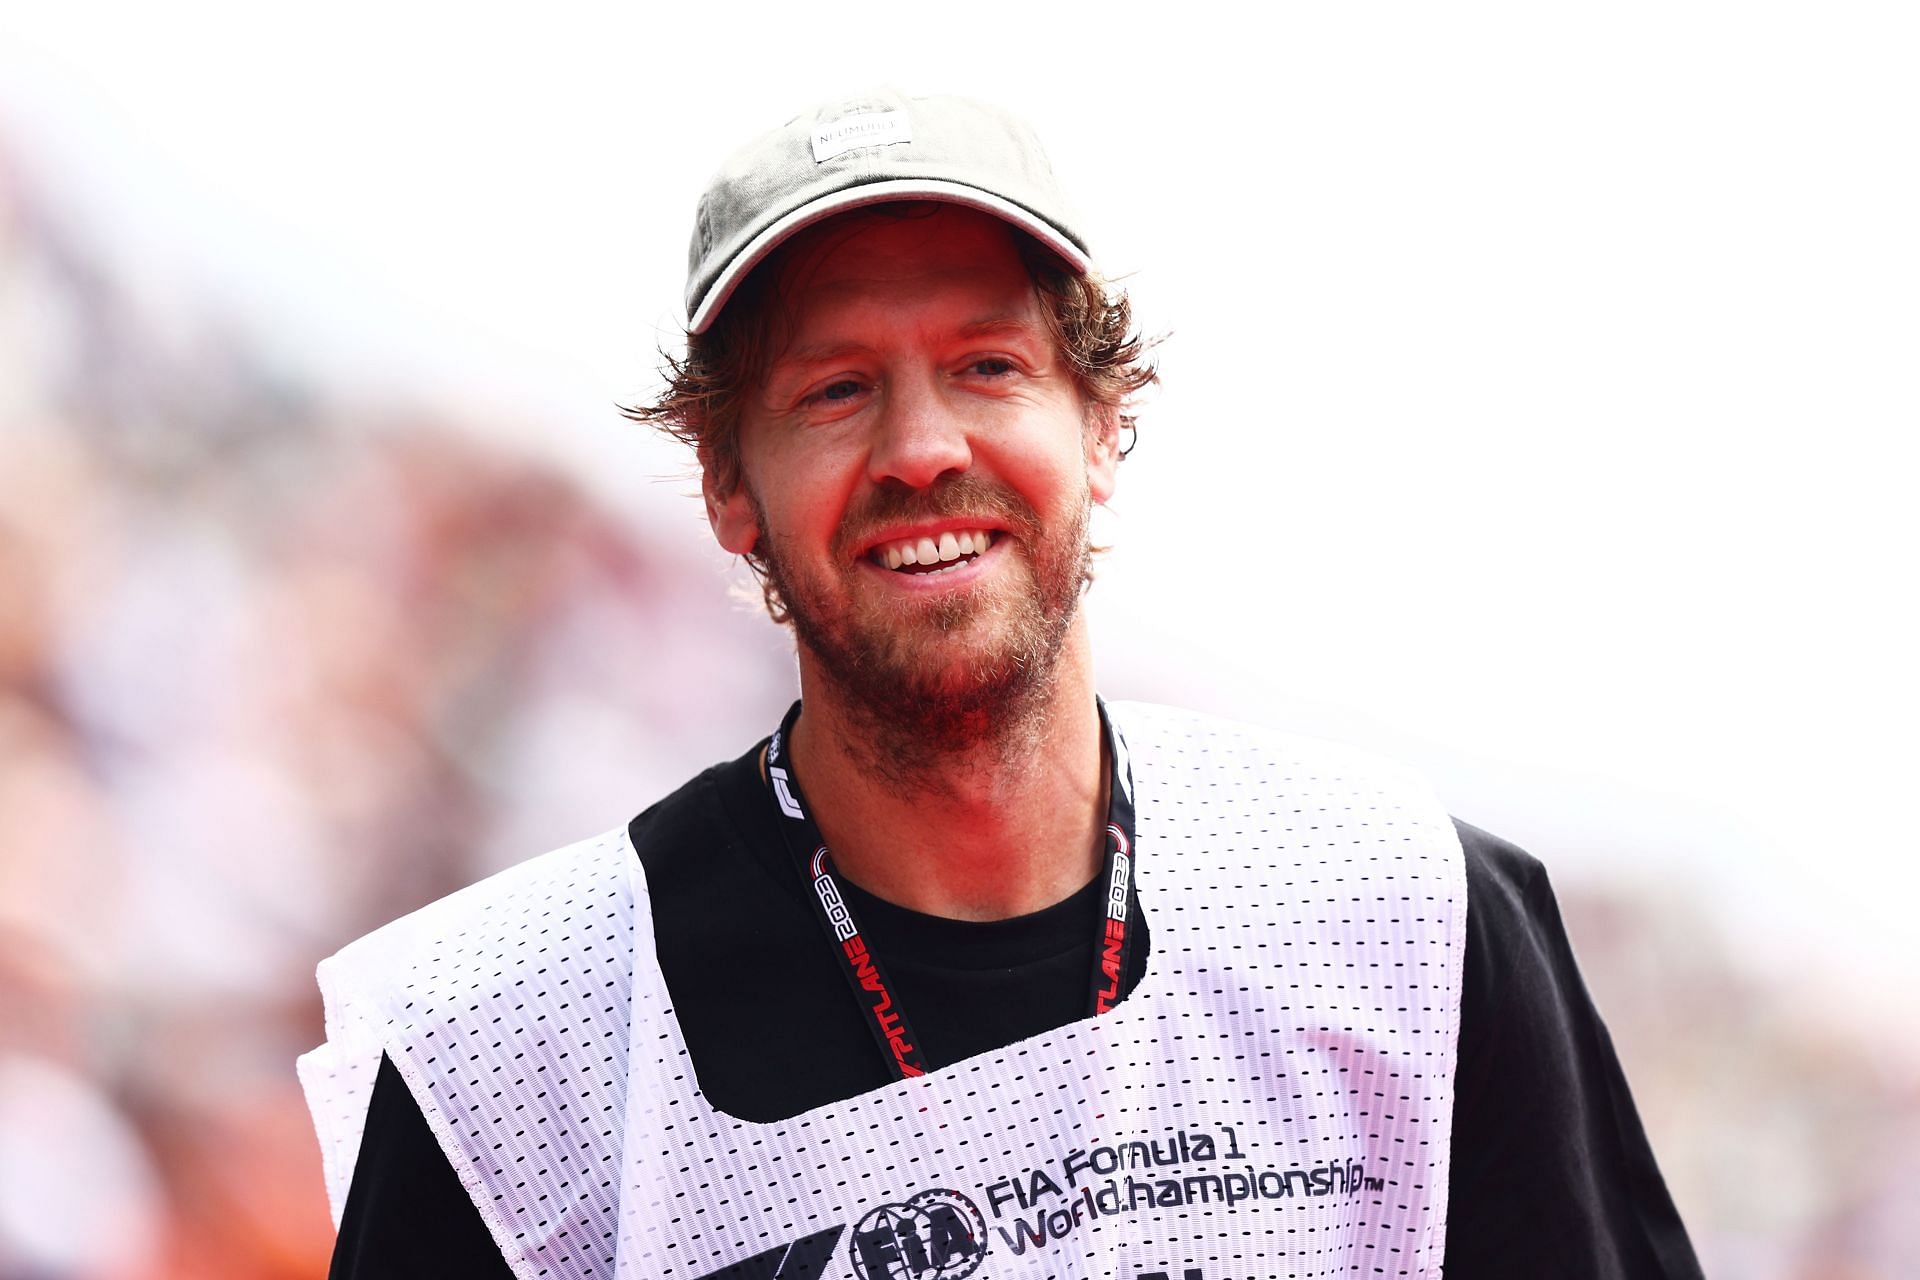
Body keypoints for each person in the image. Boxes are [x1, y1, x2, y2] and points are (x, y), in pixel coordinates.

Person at [302, 89, 1703, 1280]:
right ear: (730, 484)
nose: (922, 448)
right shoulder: (510, 1048)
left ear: (1099, 425)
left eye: (987, 365)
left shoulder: (1403, 916)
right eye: (836, 389)